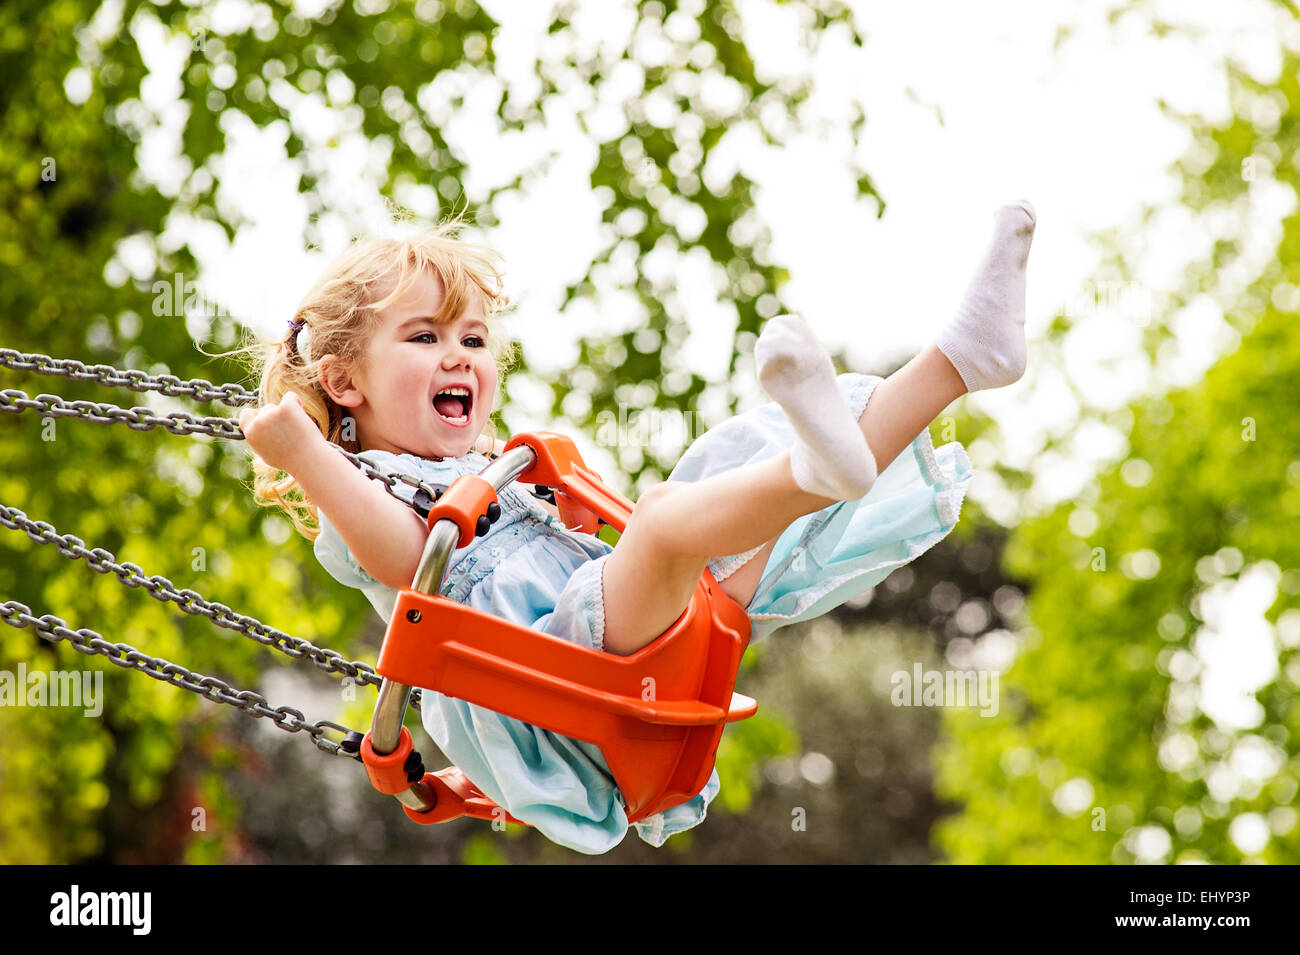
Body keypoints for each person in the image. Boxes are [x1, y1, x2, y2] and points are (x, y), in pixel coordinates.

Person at [237, 200, 1035, 853]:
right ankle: (819, 469)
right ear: (343, 380)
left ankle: (960, 360)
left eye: (473, 338)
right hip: (551, 692)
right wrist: (308, 457)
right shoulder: (363, 493)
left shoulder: (490, 471)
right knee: (664, 524)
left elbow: (579, 533)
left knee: (735, 503)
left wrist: (566, 506)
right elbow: (410, 562)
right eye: (425, 336)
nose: (460, 357)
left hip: (620, 663)